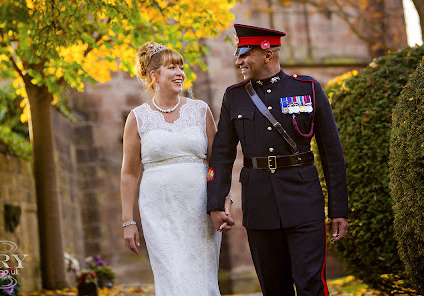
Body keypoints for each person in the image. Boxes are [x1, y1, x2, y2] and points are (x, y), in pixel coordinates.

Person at [207, 24, 349, 296]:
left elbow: (332, 153)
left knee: (311, 287)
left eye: (245, 55)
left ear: (267, 54)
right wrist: (215, 203)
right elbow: (222, 154)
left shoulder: (307, 89)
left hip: (304, 201)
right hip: (259, 205)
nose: (238, 61)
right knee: (274, 289)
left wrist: (338, 209)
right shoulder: (234, 96)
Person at [120, 41, 233, 296]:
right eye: (172, 67)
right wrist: (128, 221)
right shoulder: (137, 117)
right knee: (172, 277)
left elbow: (217, 162)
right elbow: (129, 173)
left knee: (202, 279)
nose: (180, 72)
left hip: (199, 209)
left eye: (181, 67)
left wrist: (223, 200)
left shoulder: (200, 110)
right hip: (158, 211)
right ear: (154, 76)